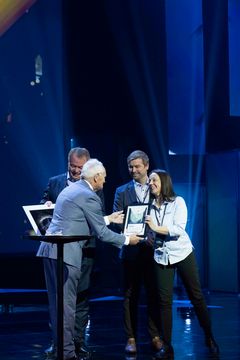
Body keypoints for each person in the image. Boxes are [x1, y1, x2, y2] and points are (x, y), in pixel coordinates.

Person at [37, 159, 141, 360]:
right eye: (104, 177)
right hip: (65, 254)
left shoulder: (72, 190)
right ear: (96, 177)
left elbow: (77, 220)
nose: (105, 181)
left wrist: (109, 218)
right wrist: (128, 240)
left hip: (49, 251)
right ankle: (67, 353)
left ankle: (61, 350)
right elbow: (102, 234)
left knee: (56, 306)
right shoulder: (90, 196)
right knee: (67, 306)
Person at [145, 169, 219, 359]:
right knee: (164, 301)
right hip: (161, 255)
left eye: (154, 180)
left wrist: (155, 227)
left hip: (182, 252)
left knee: (196, 296)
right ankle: (167, 346)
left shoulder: (178, 202)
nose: (150, 183)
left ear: (164, 182)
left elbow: (178, 229)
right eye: (150, 181)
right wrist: (149, 236)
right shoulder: (149, 206)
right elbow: (148, 230)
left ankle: (209, 336)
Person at [40, 147, 103, 358]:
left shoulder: (94, 184)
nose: (76, 171)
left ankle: (78, 341)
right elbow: (41, 207)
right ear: (68, 162)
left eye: (79, 168)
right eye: (72, 166)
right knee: (59, 299)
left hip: (84, 248)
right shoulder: (55, 182)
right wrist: (47, 205)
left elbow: (97, 216)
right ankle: (59, 343)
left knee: (81, 297)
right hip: (59, 249)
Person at [113, 150, 162, 355]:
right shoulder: (122, 191)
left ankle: (155, 336)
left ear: (146, 166)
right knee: (129, 295)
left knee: (154, 293)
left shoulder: (156, 187)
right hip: (131, 250)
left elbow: (163, 215)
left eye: (137, 166)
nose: (133, 170)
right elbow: (116, 220)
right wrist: (130, 234)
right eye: (131, 167)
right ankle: (131, 337)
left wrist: (153, 236)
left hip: (152, 251)